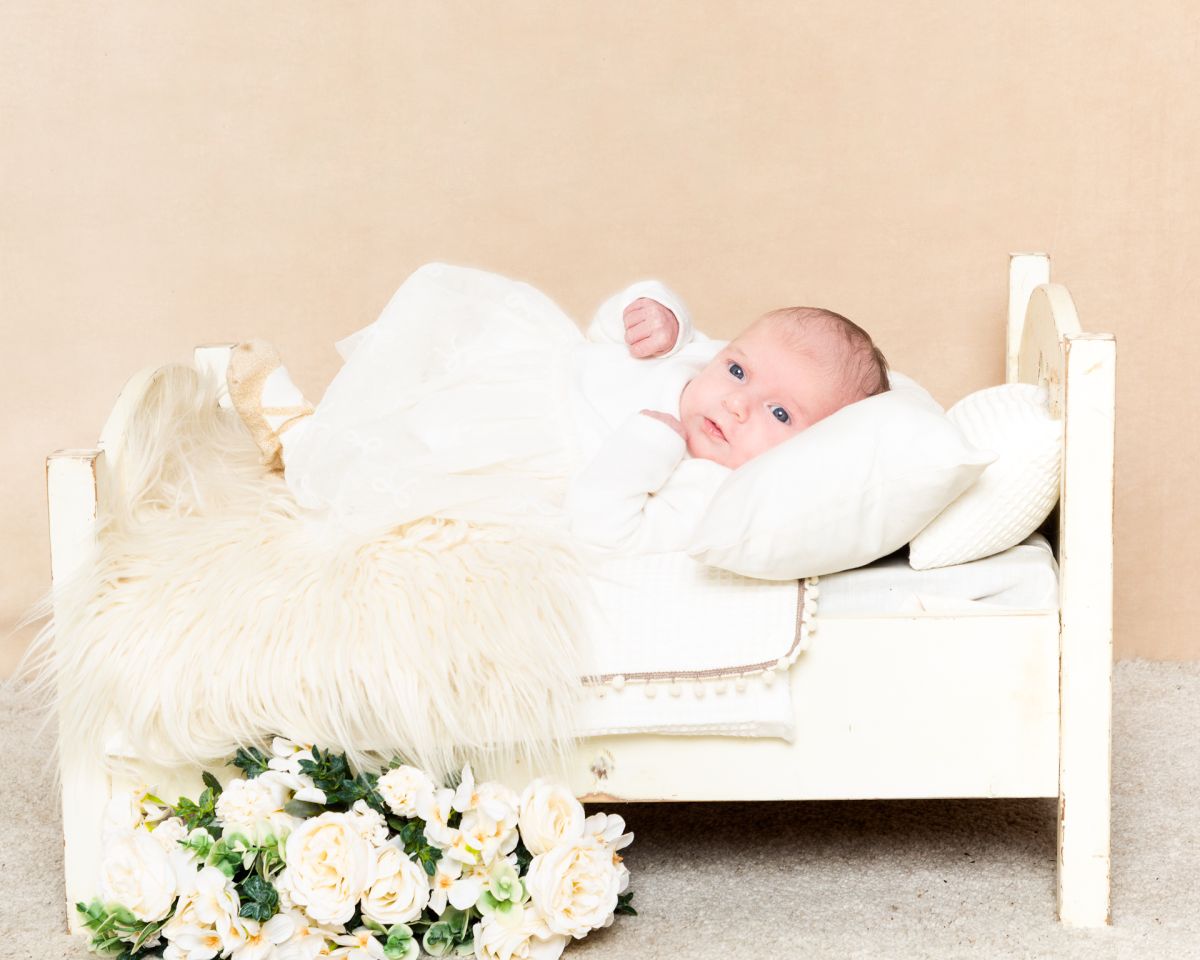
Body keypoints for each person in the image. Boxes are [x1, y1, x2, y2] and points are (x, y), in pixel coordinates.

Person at [227, 262, 889, 556]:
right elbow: (620, 332)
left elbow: (608, 530)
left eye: (780, 416)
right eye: (740, 370)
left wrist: (648, 445)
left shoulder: (713, 488)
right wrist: (655, 314)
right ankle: (330, 417)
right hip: (536, 369)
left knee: (417, 462)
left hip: (537, 445)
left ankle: (303, 443)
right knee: (415, 374)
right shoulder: (707, 362)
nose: (739, 403)